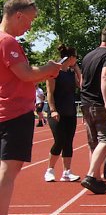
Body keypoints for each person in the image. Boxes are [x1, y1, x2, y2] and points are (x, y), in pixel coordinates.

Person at [0, 0, 62, 215]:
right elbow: (25, 75)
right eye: (30, 20)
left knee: (8, 166)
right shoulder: (8, 42)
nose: (30, 26)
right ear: (17, 15)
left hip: (9, 110)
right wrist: (49, 69)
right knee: (9, 167)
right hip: (13, 112)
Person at [80, 25, 106, 194]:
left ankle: (97, 179)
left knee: (94, 143)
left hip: (86, 102)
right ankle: (91, 175)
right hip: (99, 103)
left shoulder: (88, 56)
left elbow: (82, 80)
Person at [44, 44, 82, 183]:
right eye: (76, 57)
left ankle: (67, 172)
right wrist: (53, 110)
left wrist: (76, 68)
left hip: (70, 111)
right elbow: (50, 93)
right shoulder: (54, 72)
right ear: (70, 58)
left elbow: (82, 85)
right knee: (59, 140)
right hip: (57, 112)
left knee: (68, 142)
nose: (77, 60)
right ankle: (50, 169)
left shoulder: (71, 73)